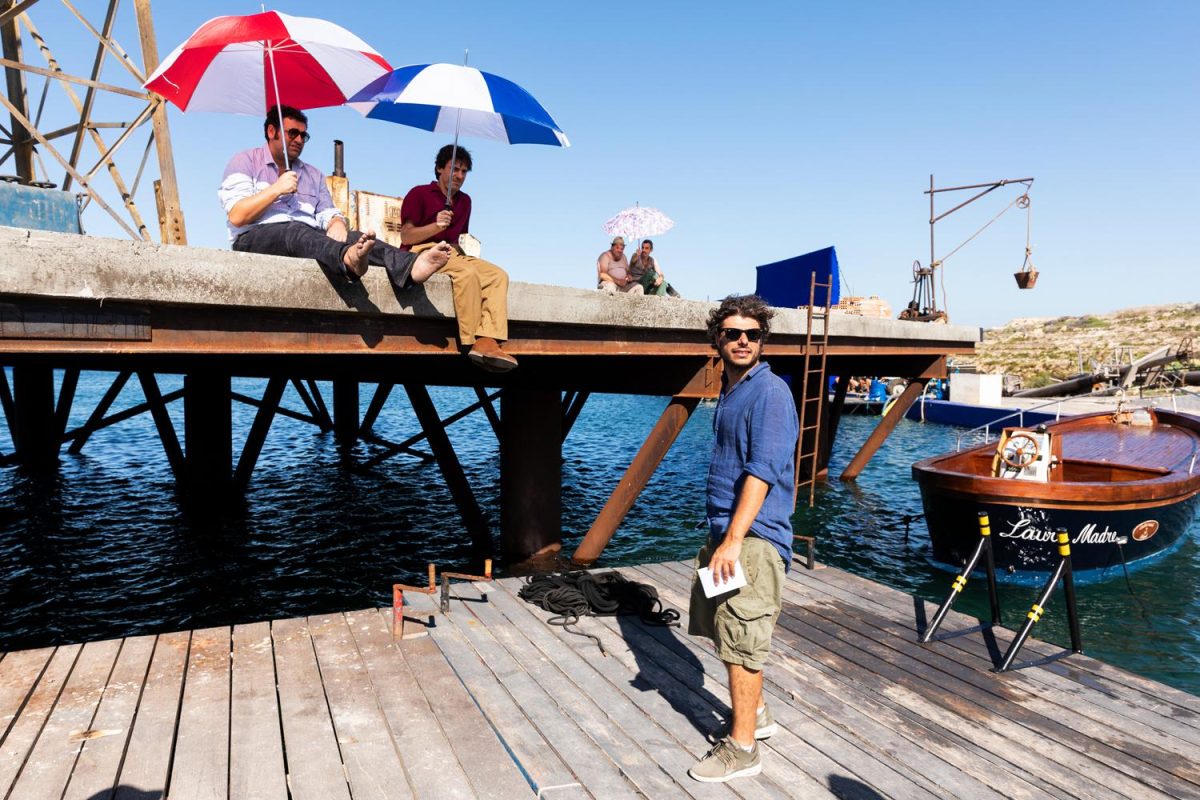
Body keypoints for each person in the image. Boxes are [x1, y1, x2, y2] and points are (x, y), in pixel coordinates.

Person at [687, 294, 799, 784]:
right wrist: (722, 537)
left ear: (762, 341)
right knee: (725, 629)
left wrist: (733, 539)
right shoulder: (732, 390)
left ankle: (744, 748)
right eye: (733, 333)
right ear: (718, 338)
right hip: (727, 533)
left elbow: (762, 471)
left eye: (752, 335)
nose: (742, 341)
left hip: (751, 538)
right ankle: (757, 714)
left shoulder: (770, 393)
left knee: (743, 640)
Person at [220, 105, 452, 290]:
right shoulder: (245, 162)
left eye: (303, 135)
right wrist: (276, 189)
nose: (299, 140)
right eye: (292, 133)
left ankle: (411, 267)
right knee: (295, 230)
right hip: (255, 237)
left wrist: (337, 222)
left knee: (355, 237)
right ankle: (348, 261)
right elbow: (238, 216)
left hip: (304, 236)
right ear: (272, 132)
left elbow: (327, 211)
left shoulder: (312, 174)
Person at [400, 144, 517, 372]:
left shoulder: (465, 201)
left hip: (450, 251)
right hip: (420, 251)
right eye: (454, 169)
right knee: (467, 273)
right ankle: (470, 341)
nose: (459, 175)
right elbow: (406, 236)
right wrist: (436, 226)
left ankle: (487, 340)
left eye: (464, 171)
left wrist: (462, 254)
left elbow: (457, 241)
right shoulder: (419, 193)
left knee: (498, 275)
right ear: (439, 169)